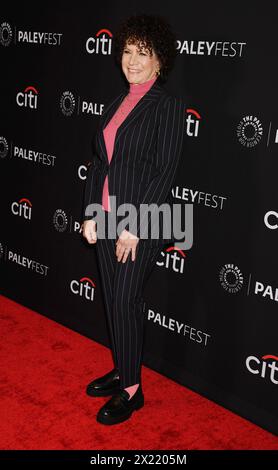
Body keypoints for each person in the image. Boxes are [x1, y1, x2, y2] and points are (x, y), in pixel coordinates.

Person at [82, 13, 185, 425]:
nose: (133, 60)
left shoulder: (169, 106)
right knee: (114, 300)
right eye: (128, 51)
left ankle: (132, 392)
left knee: (125, 299)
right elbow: (98, 163)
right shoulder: (116, 103)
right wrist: (92, 214)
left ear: (159, 61)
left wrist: (134, 227)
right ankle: (125, 370)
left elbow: (165, 172)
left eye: (143, 53)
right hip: (105, 215)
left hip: (140, 221)